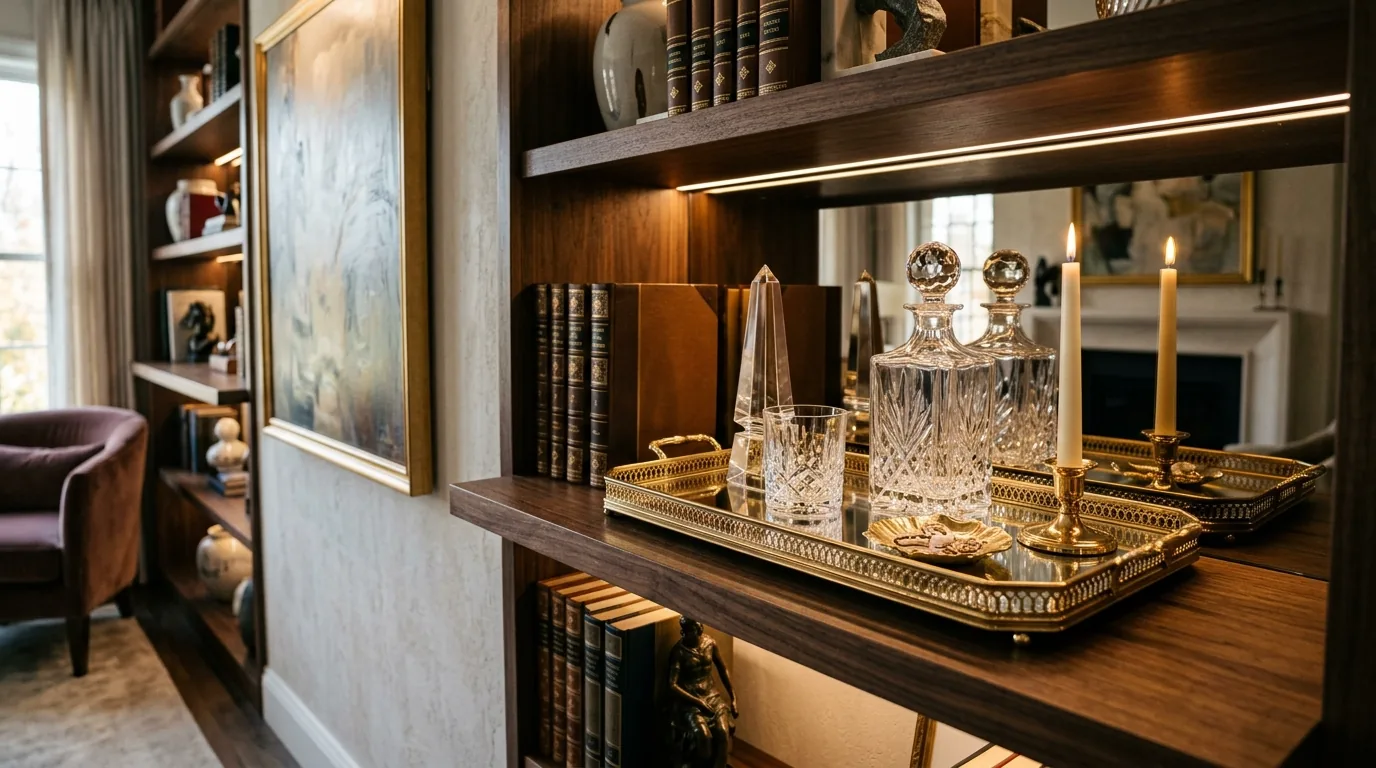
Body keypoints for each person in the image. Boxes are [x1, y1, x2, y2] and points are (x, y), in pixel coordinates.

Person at [666, 617, 737, 768]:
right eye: (686, 631)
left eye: (693, 630)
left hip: (712, 697)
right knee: (704, 738)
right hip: (691, 702)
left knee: (723, 734)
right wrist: (698, 702)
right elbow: (672, 684)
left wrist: (733, 697)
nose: (687, 634)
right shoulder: (679, 651)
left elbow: (723, 669)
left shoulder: (710, 643)